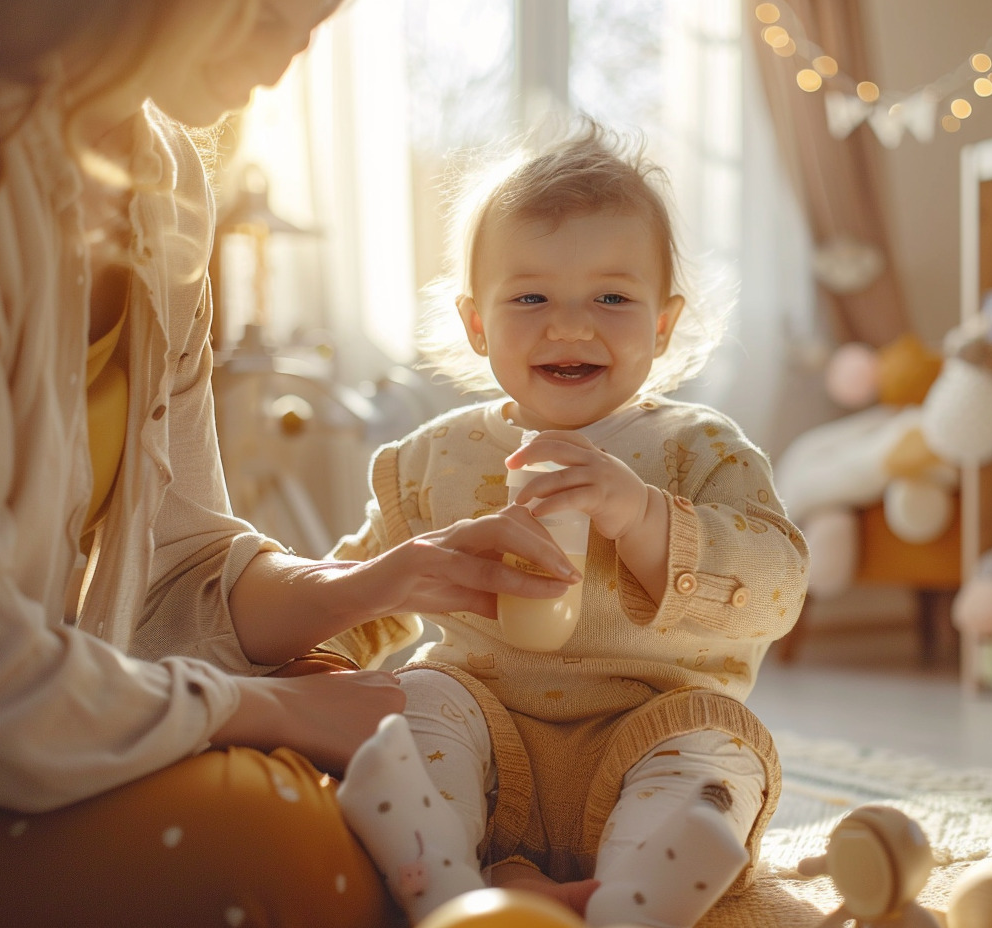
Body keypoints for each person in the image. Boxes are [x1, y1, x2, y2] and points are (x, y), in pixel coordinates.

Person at [0, 3, 582, 925]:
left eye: (316, 11)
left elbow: (178, 566)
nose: (291, 44)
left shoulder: (166, 181)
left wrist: (376, 583)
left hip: (42, 705)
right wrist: (272, 716)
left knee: (397, 733)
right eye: (265, 7)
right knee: (285, 841)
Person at [331, 121, 810, 927]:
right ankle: (447, 886)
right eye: (530, 297)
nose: (570, 326)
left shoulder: (699, 450)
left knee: (714, 748)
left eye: (612, 298)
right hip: (483, 731)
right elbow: (362, 593)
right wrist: (294, 674)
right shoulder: (434, 459)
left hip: (651, 725)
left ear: (662, 323)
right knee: (413, 700)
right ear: (477, 323)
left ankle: (631, 904)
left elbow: (777, 589)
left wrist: (642, 514)